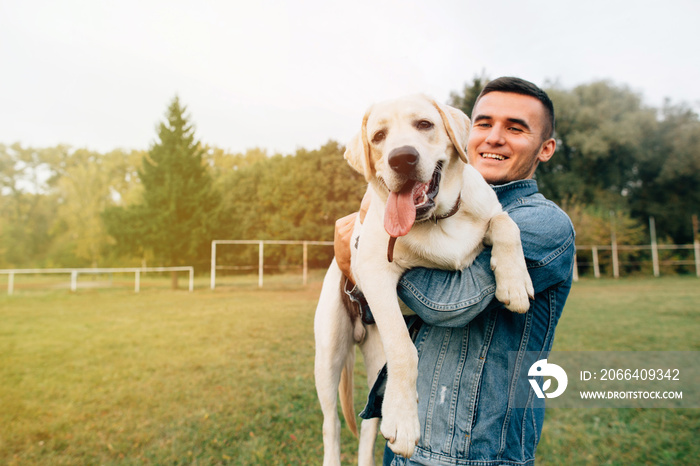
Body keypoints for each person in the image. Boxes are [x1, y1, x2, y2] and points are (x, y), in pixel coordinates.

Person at [334, 77, 575, 466]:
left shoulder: (544, 223)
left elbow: (452, 304)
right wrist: (361, 278)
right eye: (483, 124)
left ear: (546, 149)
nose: (494, 138)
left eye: (515, 128)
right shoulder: (422, 209)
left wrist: (362, 262)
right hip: (407, 437)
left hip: (477, 453)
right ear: (462, 133)